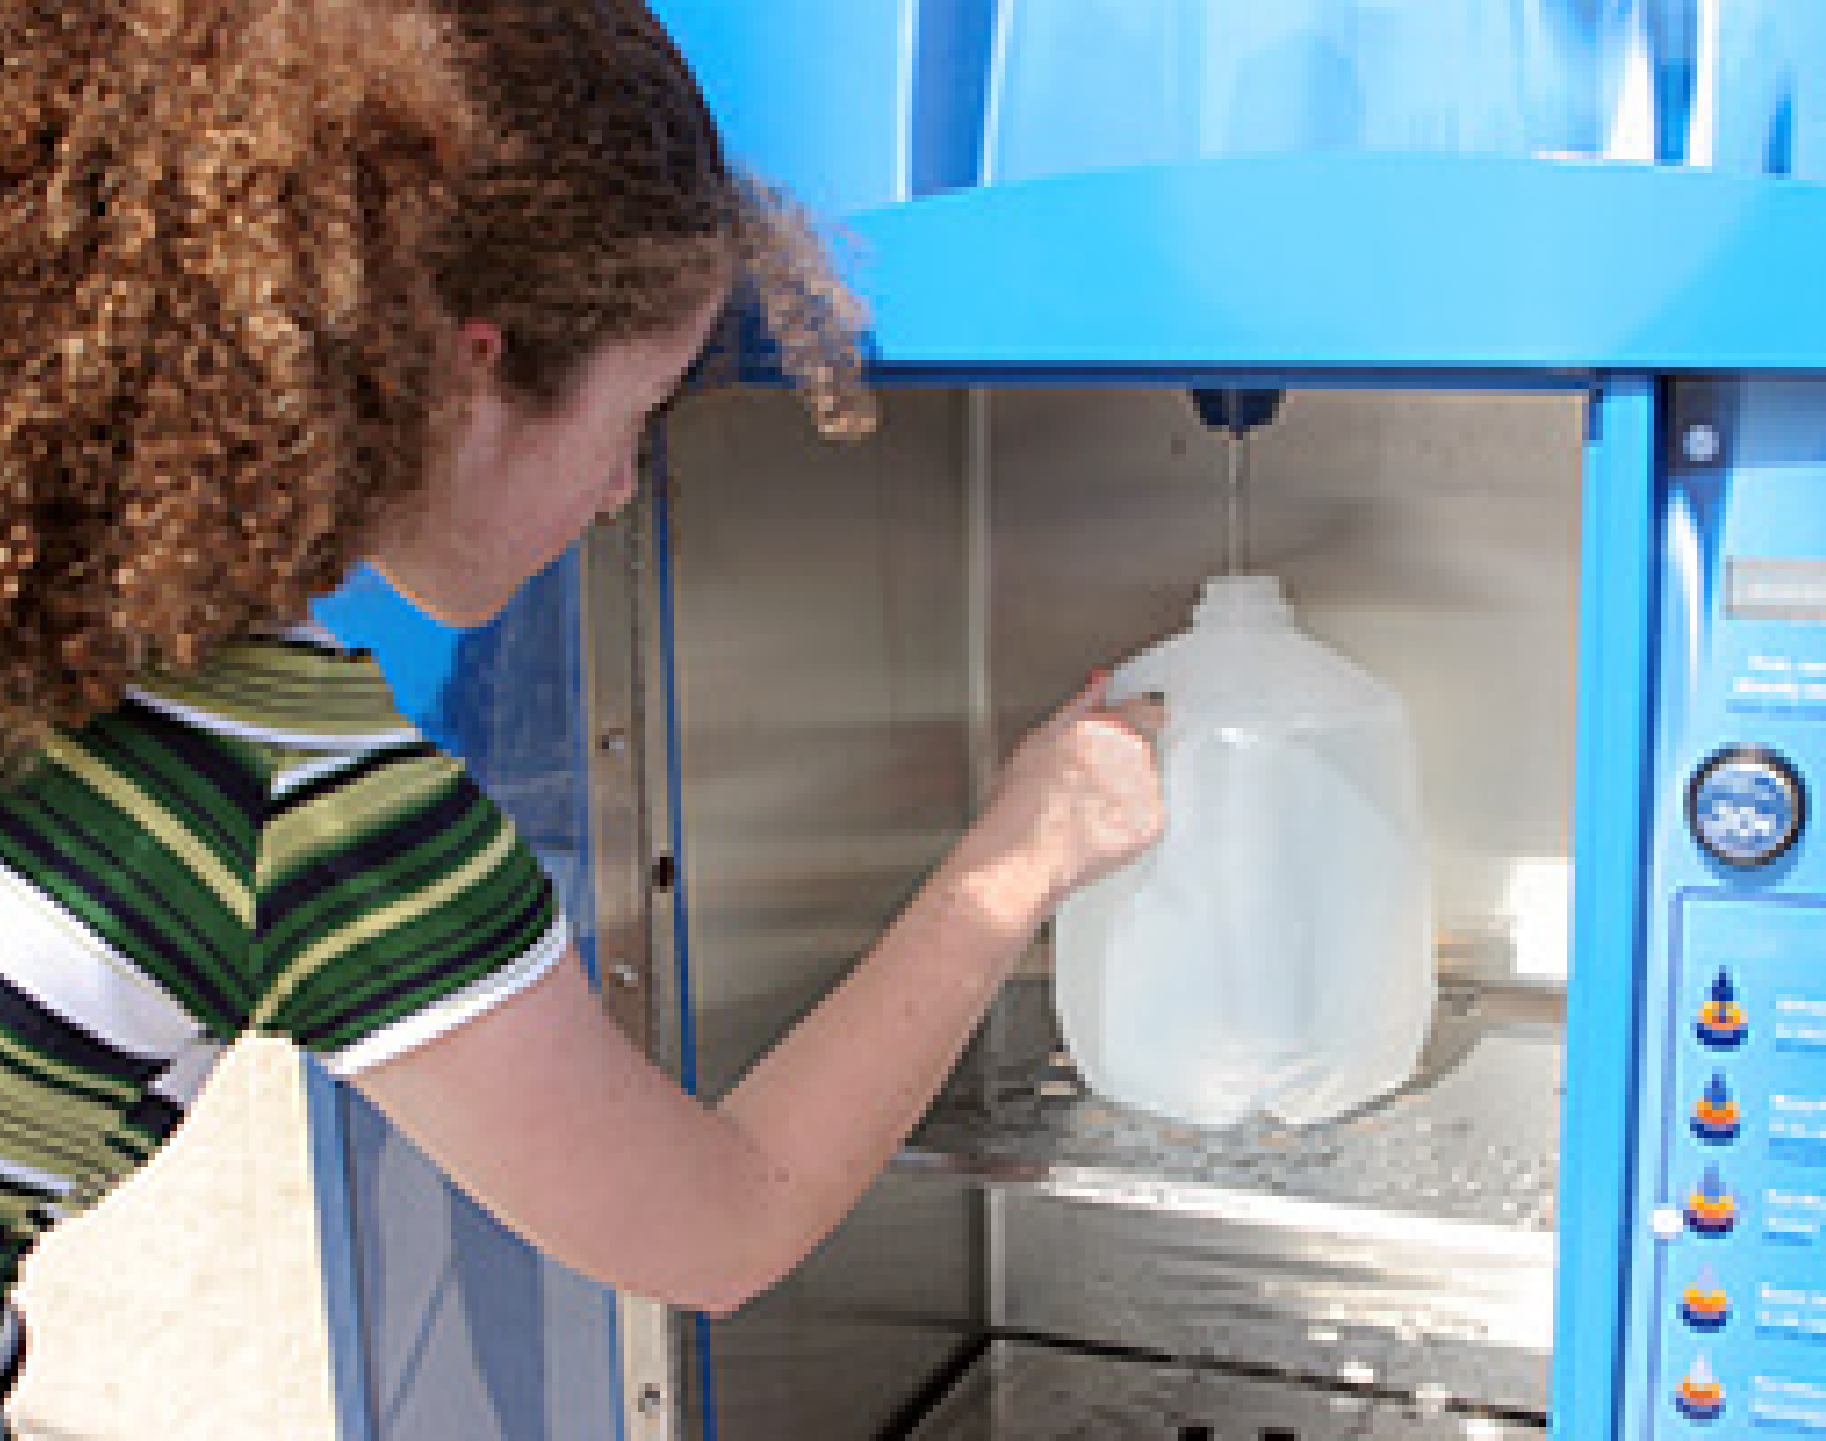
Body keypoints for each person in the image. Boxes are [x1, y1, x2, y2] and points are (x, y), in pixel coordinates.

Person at [0, 0, 1164, 1420]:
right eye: (639, 412)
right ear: (474, 372)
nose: (623, 488)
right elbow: (721, 1224)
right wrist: (1020, 856)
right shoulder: (288, 783)